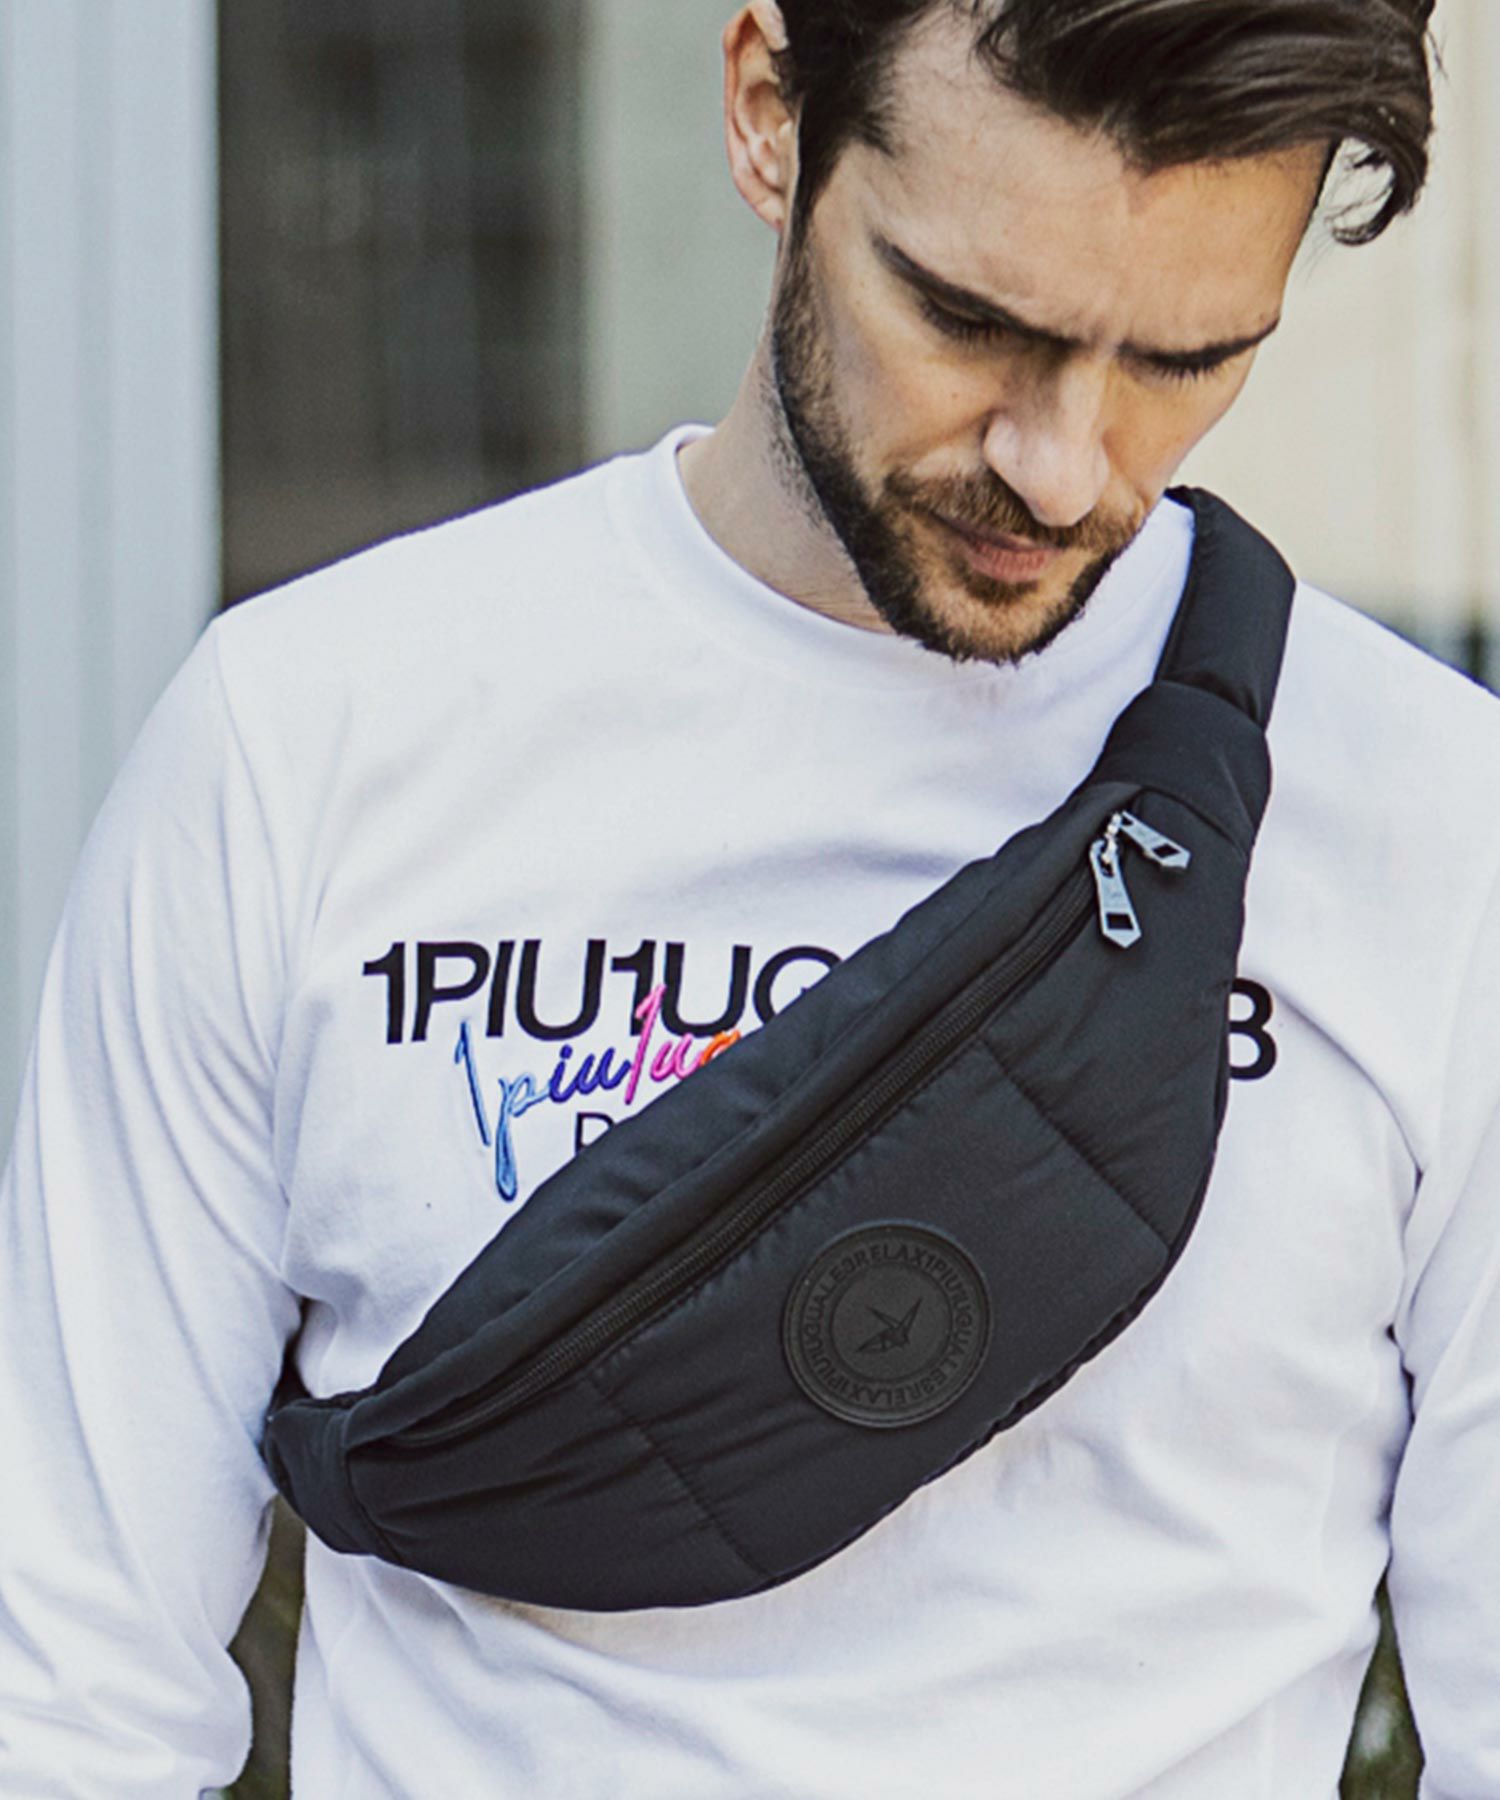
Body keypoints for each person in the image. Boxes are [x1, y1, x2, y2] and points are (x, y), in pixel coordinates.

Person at [2, 1, 1490, 1795]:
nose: (1063, 461)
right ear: (771, 112)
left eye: (1187, 359)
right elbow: (70, 1695)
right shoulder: (303, 742)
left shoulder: (1432, 829)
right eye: (969, 320)